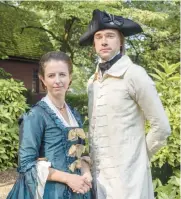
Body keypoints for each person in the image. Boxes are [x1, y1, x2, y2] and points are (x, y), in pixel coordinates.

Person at [79, 9, 171, 199]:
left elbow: (161, 127)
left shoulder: (135, 74)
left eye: (110, 36)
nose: (104, 41)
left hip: (130, 181)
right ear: (94, 43)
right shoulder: (92, 82)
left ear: (121, 41)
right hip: (100, 179)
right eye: (99, 37)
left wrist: (138, 157)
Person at [7, 51, 92, 199]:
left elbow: (81, 152)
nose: (57, 80)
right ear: (43, 79)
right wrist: (68, 178)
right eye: (51, 75)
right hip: (49, 192)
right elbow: (26, 164)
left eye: (62, 74)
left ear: (70, 77)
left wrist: (86, 172)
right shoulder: (36, 115)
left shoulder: (75, 114)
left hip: (79, 190)